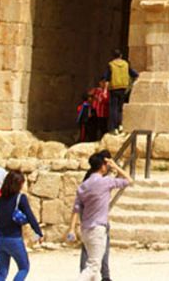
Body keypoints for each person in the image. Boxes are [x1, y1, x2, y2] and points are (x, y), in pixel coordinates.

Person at [69, 149, 131, 281]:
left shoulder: (83, 186)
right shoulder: (106, 181)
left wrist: (71, 228)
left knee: (93, 266)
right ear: (103, 166)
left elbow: (76, 208)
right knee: (93, 266)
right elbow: (128, 180)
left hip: (85, 228)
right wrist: (115, 166)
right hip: (98, 229)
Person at [0, 169, 42, 281]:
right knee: (24, 268)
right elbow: (30, 216)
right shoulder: (20, 198)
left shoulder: (0, 199)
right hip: (14, 239)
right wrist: (38, 232)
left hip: (0, 239)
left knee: (2, 272)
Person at [104, 50, 137, 134]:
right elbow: (134, 74)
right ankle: (120, 125)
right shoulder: (126, 64)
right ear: (121, 55)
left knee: (113, 108)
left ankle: (113, 128)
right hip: (123, 88)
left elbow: (107, 78)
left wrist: (105, 90)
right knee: (120, 108)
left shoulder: (111, 65)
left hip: (114, 88)